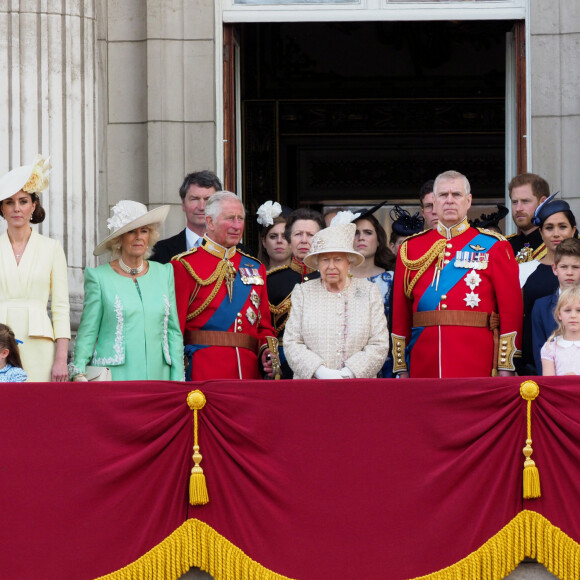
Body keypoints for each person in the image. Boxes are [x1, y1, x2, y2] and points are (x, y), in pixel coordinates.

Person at [391, 170, 523, 378]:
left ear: (468, 201)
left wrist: (506, 365)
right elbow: (400, 314)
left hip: (476, 361)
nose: (449, 201)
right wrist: (401, 368)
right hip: (424, 362)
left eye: (457, 195)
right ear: (433, 202)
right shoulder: (410, 249)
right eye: (443, 195)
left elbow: (511, 311)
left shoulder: (495, 246)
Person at [70, 200, 184, 381]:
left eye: (144, 231)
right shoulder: (99, 277)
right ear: (119, 238)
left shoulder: (165, 273)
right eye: (131, 231)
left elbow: (173, 331)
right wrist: (78, 371)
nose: (138, 237)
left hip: (159, 375)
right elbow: (88, 330)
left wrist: (178, 376)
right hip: (116, 377)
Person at [172, 192, 277, 380]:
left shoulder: (255, 267)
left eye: (240, 219)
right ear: (210, 222)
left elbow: (264, 327)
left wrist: (266, 353)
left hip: (248, 374)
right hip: (202, 372)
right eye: (230, 219)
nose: (237, 226)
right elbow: (175, 329)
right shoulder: (183, 265)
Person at [284, 221, 389, 379]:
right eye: (325, 260)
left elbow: (379, 343)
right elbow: (292, 342)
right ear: (318, 264)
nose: (331, 266)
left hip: (358, 386)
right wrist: (320, 372)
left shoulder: (369, 291)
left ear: (349, 262)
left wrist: (349, 373)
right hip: (312, 386)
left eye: (338, 259)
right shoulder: (303, 292)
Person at [0, 156, 70, 382]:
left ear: (34, 205)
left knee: (39, 411)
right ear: (2, 208)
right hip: (0, 344)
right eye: (9, 202)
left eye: (22, 201)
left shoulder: (51, 248)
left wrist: (61, 359)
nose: (16, 208)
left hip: (40, 345)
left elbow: (60, 307)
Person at [519, 194, 578, 374]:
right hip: (540, 369)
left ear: (573, 230)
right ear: (541, 232)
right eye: (549, 227)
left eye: (562, 226)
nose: (556, 233)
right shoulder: (523, 271)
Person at [262, 208, 324, 378]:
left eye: (310, 235)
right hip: (283, 366)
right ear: (289, 239)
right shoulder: (271, 281)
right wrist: (272, 360)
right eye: (298, 234)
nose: (304, 240)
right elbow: (264, 328)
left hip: (325, 363)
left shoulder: (330, 278)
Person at [350, 205, 395, 377]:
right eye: (355, 232)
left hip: (384, 364)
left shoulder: (393, 279)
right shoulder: (335, 279)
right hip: (343, 365)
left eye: (368, 232)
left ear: (378, 240)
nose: (361, 238)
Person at [150, 170, 222, 263]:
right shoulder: (159, 252)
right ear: (183, 204)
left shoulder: (238, 253)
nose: (202, 207)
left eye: (208, 200)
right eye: (194, 199)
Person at [532, 238, 580, 373]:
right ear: (554, 268)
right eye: (564, 267)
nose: (569, 272)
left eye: (576, 267)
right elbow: (538, 350)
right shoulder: (541, 306)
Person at [507, 173, 549, 263]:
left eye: (525, 201)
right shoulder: (505, 246)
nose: (518, 208)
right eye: (514, 202)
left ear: (543, 203)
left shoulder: (557, 245)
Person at [541, 285, 580, 376]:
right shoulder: (550, 348)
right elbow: (549, 384)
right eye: (567, 310)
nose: (573, 315)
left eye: (579, 310)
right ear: (559, 314)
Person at [256, 200, 292, 271]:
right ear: (264, 242)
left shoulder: (305, 278)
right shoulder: (254, 278)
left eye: (285, 236)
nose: (279, 241)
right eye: (273, 236)